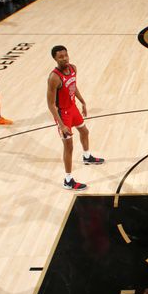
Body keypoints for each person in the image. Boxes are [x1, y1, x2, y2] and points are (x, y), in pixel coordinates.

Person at [46, 45, 104, 191]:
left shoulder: (73, 68)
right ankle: (68, 180)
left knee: (85, 132)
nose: (64, 58)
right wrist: (61, 125)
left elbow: (74, 87)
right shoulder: (54, 78)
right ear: (55, 59)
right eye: (60, 57)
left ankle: (87, 156)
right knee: (69, 147)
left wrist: (83, 102)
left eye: (66, 55)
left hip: (73, 108)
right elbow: (51, 104)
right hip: (63, 114)